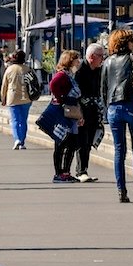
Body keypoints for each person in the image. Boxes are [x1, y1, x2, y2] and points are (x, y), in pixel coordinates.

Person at [102, 28, 133, 203]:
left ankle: (121, 191)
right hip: (132, 106)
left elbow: (103, 89)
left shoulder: (107, 62)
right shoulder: (132, 58)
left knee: (119, 150)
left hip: (113, 108)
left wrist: (107, 108)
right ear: (127, 42)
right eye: (132, 40)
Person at [46, 49, 85, 182]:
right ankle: (59, 173)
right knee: (61, 143)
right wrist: (61, 100)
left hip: (71, 112)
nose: (78, 61)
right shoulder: (62, 75)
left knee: (72, 143)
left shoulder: (70, 75)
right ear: (69, 60)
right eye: (76, 59)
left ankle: (66, 172)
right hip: (64, 113)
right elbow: (53, 85)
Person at [72, 43, 106, 182]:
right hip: (82, 111)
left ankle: (83, 170)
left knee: (89, 141)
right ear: (92, 57)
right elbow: (75, 93)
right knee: (82, 141)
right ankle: (80, 171)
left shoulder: (99, 70)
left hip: (94, 110)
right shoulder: (80, 71)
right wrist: (79, 113)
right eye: (100, 56)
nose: (102, 59)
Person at [0, 49, 34, 150]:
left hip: (12, 98)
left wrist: (3, 98)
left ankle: (17, 139)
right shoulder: (28, 69)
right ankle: (22, 141)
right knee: (23, 120)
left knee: (15, 120)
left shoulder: (9, 69)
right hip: (26, 98)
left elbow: (4, 85)